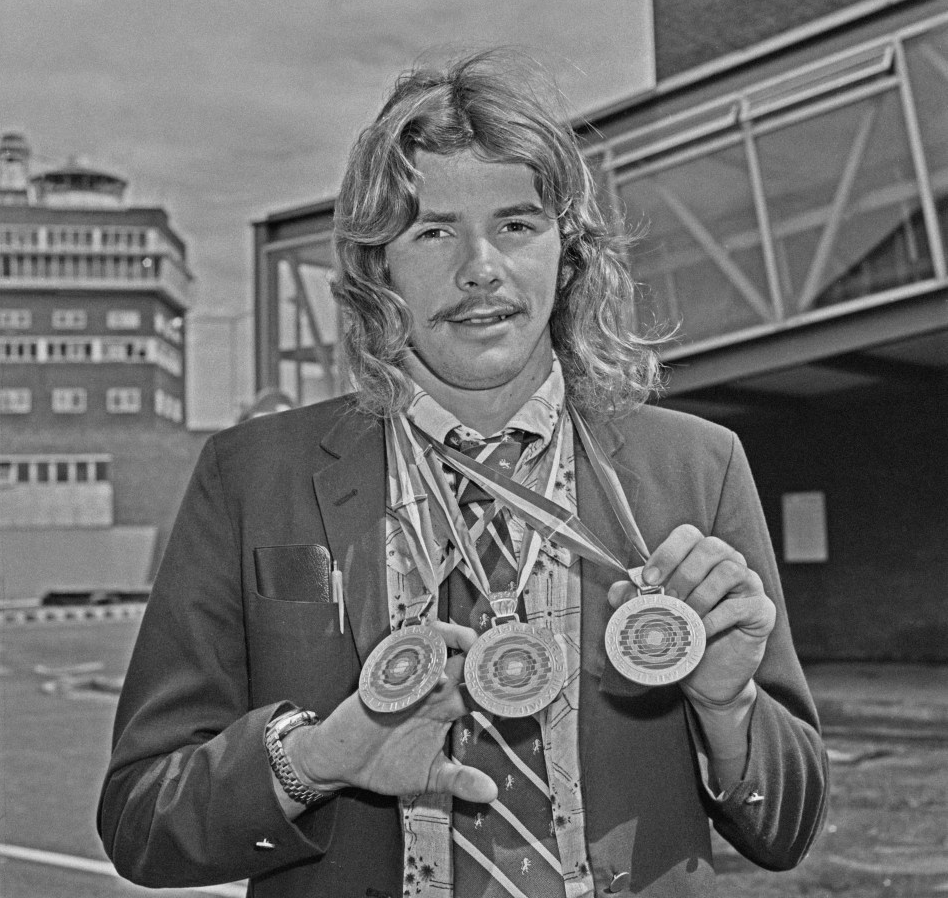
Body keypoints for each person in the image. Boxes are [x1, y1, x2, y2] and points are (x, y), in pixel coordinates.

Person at [98, 52, 828, 898]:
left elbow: (789, 827)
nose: (480, 267)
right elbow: (141, 823)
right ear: (378, 268)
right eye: (433, 230)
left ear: (567, 257)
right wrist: (315, 759)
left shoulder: (697, 466)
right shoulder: (252, 474)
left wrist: (726, 710)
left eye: (516, 226)